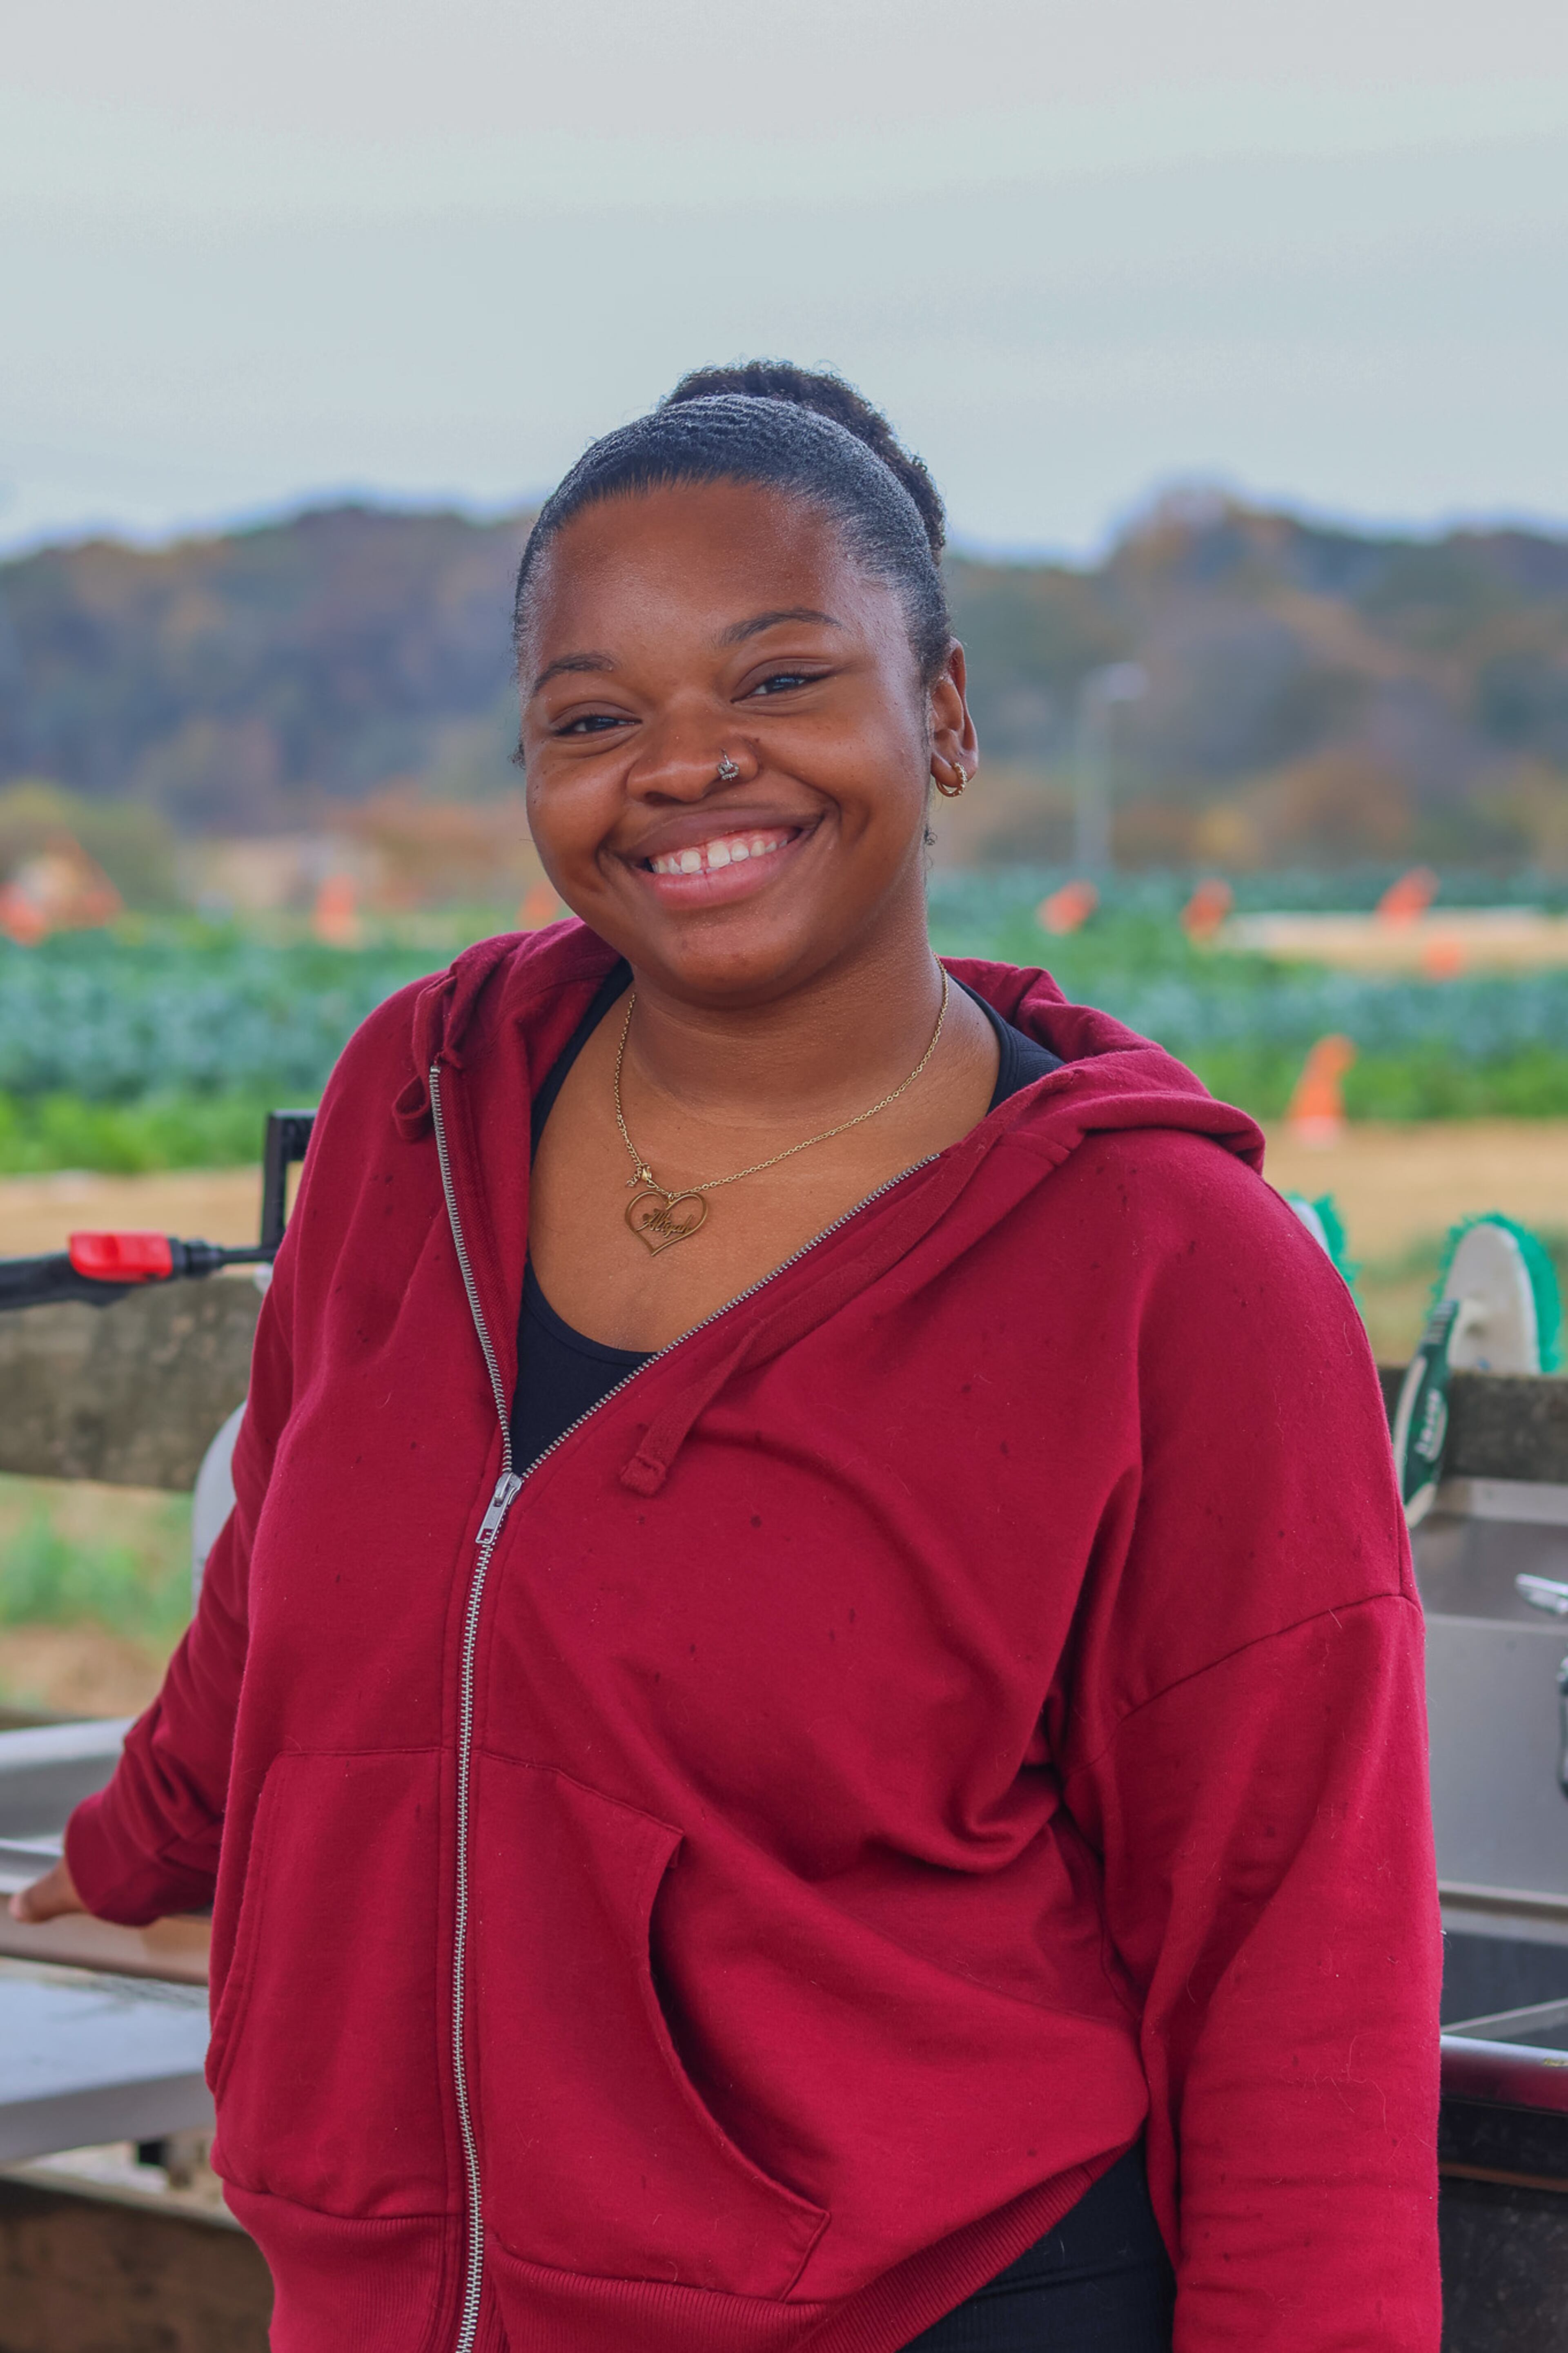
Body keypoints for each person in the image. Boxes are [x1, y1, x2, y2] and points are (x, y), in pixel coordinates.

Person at [14, 364, 1442, 2352]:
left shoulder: (1169, 1277)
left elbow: (1298, 1965)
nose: (685, 764)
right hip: (391, 2301)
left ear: (941, 716)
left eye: (777, 681)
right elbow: (283, 1589)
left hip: (928, 2308)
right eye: (595, 717)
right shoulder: (411, 1113)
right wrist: (120, 1848)